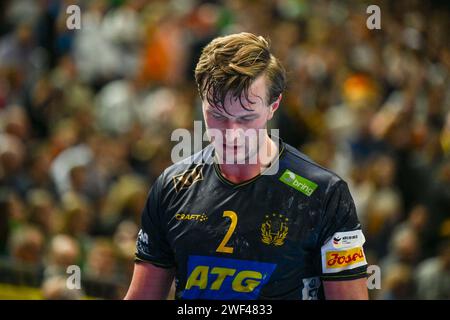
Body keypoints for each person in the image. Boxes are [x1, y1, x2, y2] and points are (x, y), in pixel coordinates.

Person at [125, 32, 368, 300]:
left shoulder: (323, 194)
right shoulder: (172, 187)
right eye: (217, 115)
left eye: (246, 117)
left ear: (273, 106)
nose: (232, 133)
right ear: (200, 103)